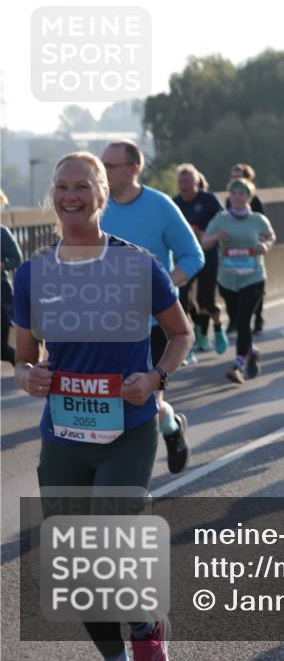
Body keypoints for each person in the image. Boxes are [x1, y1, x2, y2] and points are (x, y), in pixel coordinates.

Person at [13, 151, 191, 661]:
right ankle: (116, 653)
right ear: (53, 197)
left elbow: (181, 333)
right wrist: (30, 377)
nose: (71, 197)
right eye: (62, 187)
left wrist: (157, 377)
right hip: (64, 434)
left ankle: (144, 624)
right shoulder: (33, 275)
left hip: (128, 428)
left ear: (102, 195)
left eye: (82, 187)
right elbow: (23, 360)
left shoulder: (137, 264)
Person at [100, 139, 203, 475]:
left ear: (133, 169)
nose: (102, 172)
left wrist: (164, 284)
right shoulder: (95, 208)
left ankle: (169, 431)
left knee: (145, 400)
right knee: (109, 401)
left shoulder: (160, 206)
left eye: (109, 166)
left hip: (157, 326)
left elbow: (193, 255)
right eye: (101, 166)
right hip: (107, 325)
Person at [201, 178, 276, 384]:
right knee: (236, 322)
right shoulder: (221, 219)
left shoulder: (258, 220)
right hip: (227, 280)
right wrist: (217, 236)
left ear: (248, 197)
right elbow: (204, 243)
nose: (237, 197)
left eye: (242, 193)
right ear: (229, 197)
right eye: (233, 193)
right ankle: (251, 350)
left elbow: (271, 236)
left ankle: (238, 365)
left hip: (253, 277)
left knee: (244, 322)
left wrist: (266, 246)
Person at [172, 163, 227, 360]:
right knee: (182, 299)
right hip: (184, 258)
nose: (183, 183)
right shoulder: (174, 203)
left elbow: (224, 220)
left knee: (207, 300)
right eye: (181, 180)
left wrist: (206, 234)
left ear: (196, 181)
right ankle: (194, 337)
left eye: (187, 179)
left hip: (208, 255)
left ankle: (216, 327)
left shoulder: (209, 200)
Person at [1, 190, 22, 364]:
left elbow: (17, 259)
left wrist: (2, 265)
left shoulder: (2, 233)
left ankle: (27, 368)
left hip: (1, 294)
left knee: (2, 349)